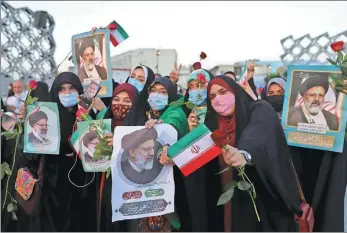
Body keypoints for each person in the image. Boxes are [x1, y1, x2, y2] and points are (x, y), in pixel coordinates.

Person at [205, 75, 302, 231]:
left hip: (263, 204)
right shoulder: (211, 122)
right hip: (228, 206)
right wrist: (169, 154)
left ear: (235, 91)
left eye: (223, 92)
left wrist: (244, 154)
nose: (218, 99)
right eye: (212, 96)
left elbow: (257, 133)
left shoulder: (259, 109)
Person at [262, 77, 347, 232]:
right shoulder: (292, 116)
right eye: (311, 95)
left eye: (320, 95)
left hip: (312, 174)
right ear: (303, 97)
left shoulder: (332, 120)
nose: (316, 99)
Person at [96, 83, 139, 232]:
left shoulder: (140, 126)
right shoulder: (104, 124)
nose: (120, 104)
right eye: (116, 99)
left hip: (133, 193)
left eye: (127, 101)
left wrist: (121, 144)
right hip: (107, 188)